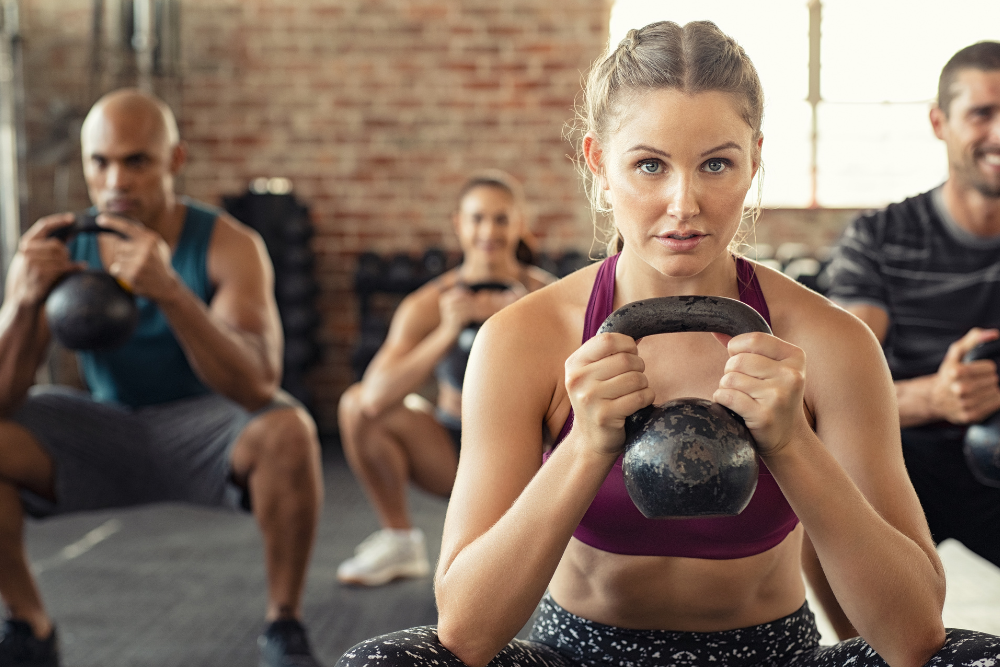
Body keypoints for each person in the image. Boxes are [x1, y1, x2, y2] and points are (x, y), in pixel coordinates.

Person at [336, 21, 1000, 667]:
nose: (684, 203)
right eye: (650, 164)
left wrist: (794, 444)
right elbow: (466, 630)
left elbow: (915, 637)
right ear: (599, 163)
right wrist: (586, 445)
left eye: (716, 163)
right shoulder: (525, 339)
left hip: (769, 654)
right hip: (579, 653)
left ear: (755, 161)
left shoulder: (831, 342)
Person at [0, 89, 326, 667]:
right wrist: (25, 303)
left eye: (136, 161)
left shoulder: (230, 246)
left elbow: (258, 386)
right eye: (100, 162)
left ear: (175, 161)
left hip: (204, 428)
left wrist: (172, 292)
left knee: (290, 429)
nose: (116, 180)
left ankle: (284, 625)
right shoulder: (61, 250)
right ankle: (29, 625)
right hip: (101, 426)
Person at [817, 41, 1000, 639]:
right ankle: (864, 651)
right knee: (819, 466)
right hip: (905, 461)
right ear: (939, 122)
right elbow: (829, 393)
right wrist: (936, 398)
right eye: (982, 113)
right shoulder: (879, 238)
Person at [337, 172, 554, 586]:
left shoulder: (546, 297)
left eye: (501, 219)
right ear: (458, 224)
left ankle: (568, 545)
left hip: (530, 453)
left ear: (520, 223)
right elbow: (373, 397)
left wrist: (523, 323)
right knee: (353, 404)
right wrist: (446, 331)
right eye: (477, 219)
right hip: (453, 448)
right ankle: (400, 541)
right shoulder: (428, 303)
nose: (488, 231)